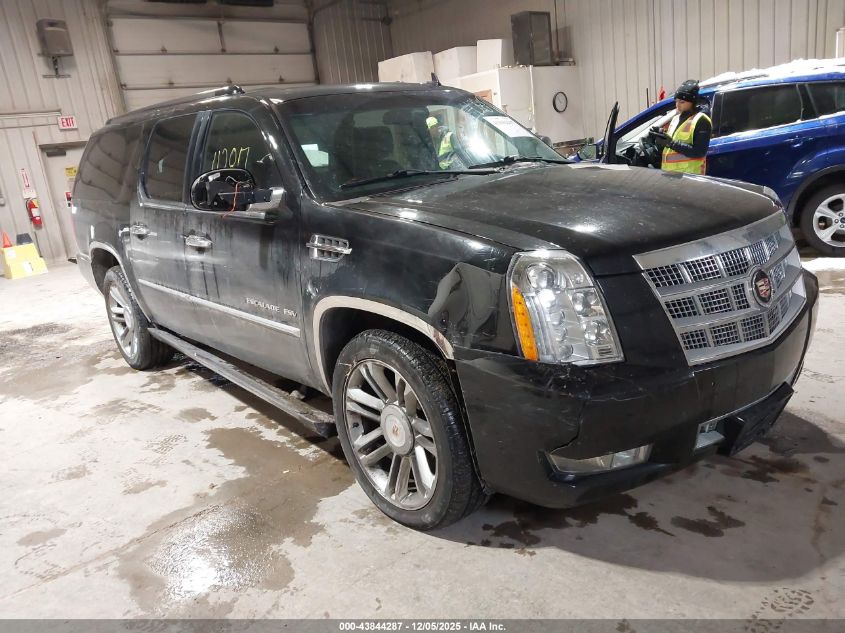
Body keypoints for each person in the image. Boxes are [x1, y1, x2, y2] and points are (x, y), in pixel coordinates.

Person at [652, 79, 712, 175]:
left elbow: (699, 152)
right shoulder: (676, 118)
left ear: (692, 102)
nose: (677, 105)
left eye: (682, 102)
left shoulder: (701, 120)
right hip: (671, 175)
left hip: (690, 177)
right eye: (676, 101)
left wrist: (672, 143)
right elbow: (672, 142)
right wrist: (660, 136)